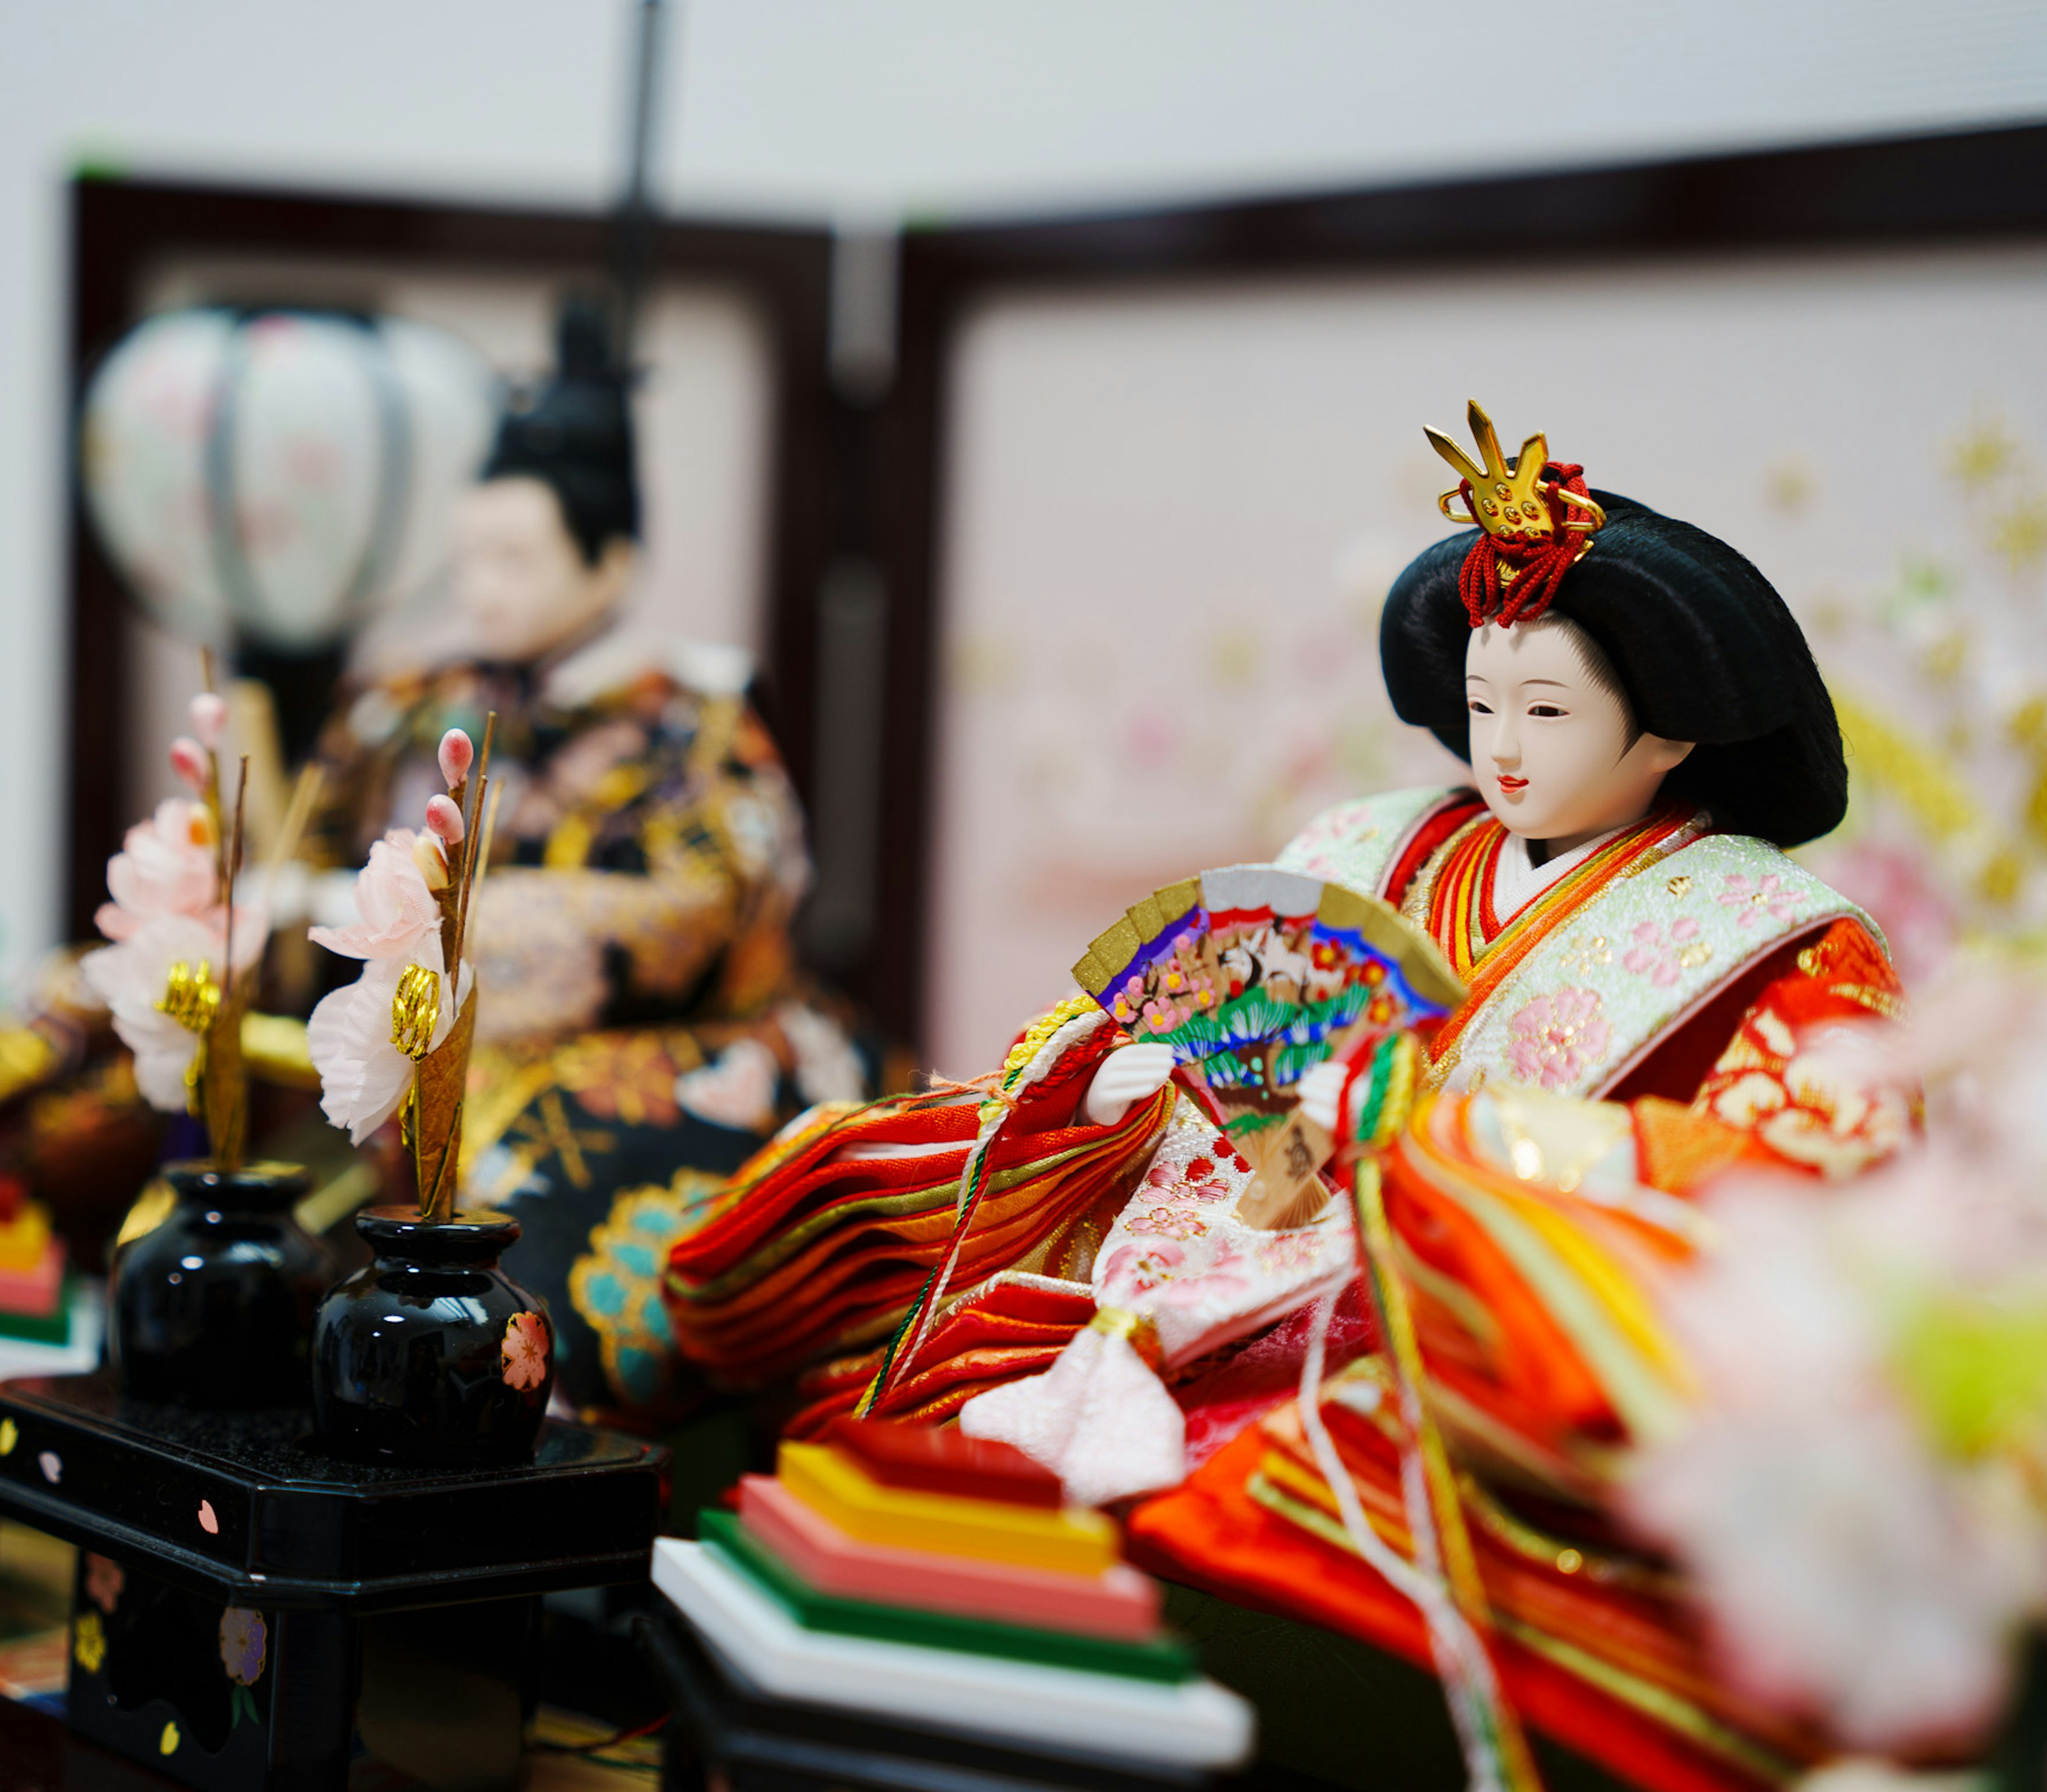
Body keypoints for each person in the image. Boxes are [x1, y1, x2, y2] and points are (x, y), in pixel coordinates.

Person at [665, 402, 1910, 1459]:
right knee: (911, 1353)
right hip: (1226, 1256)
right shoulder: (1372, 848)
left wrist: (1461, 1144)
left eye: (1549, 707)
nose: (1507, 749)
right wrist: (1117, 1091)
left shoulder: (1776, 939)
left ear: (1675, 728)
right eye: (1484, 704)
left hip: (1455, 1331)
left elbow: (1814, 1185)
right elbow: (1219, 1076)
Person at [308, 295, 867, 1421]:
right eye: (470, 558)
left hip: (664, 1042)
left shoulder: (690, 717)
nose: (482, 589)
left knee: (522, 1145)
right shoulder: (409, 699)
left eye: (516, 558)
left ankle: (512, 1429)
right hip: (415, 1014)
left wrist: (470, 931)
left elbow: (716, 901)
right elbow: (316, 849)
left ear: (612, 563)